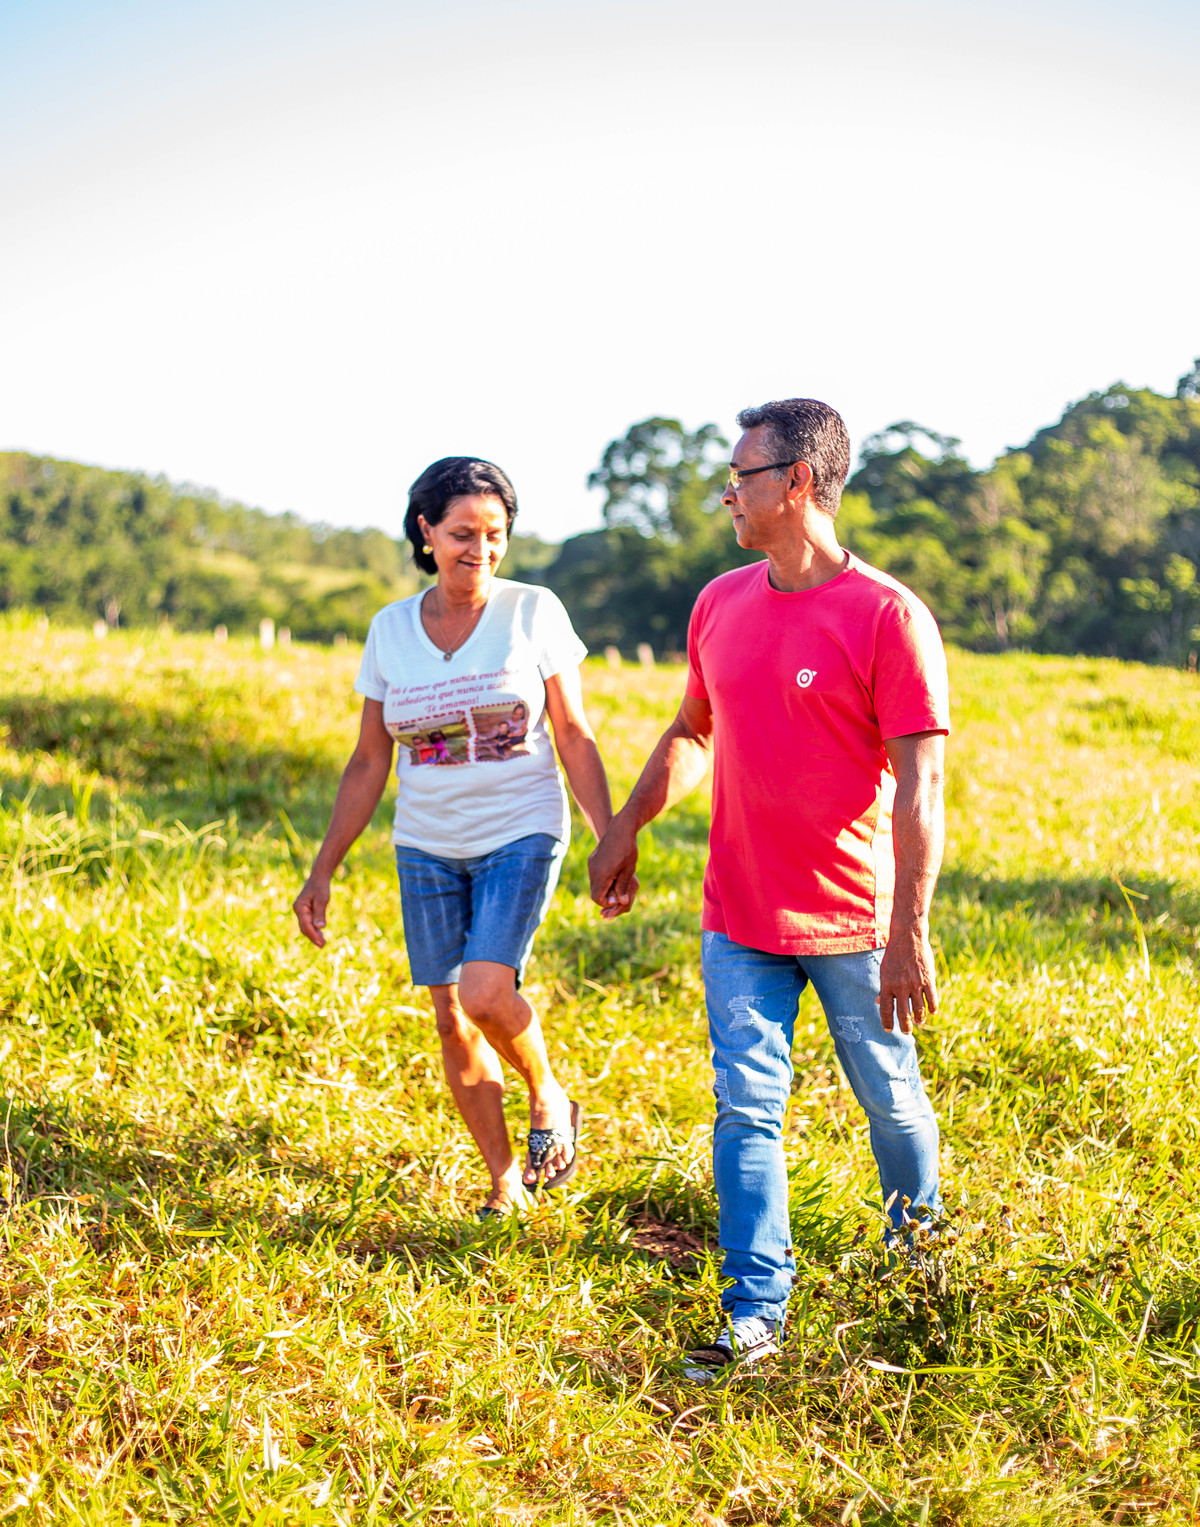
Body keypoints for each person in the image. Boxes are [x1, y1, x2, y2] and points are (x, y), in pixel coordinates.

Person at [588, 398, 949, 1379]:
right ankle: (756, 1314)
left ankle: (924, 1279)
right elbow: (693, 733)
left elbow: (921, 788)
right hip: (739, 915)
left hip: (853, 920)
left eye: (741, 478)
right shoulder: (719, 600)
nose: (728, 497)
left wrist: (908, 930)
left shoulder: (888, 615)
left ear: (797, 483)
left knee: (891, 1098)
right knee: (745, 1107)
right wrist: (624, 829)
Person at [294, 456, 615, 1216]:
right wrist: (322, 869)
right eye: (464, 533)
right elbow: (371, 759)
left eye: (495, 534)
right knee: (449, 1011)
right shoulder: (391, 630)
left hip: (521, 829)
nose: (481, 549)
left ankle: (548, 1092)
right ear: (426, 531)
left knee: (483, 990)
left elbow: (572, 732)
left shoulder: (533, 610)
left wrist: (612, 839)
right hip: (427, 841)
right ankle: (503, 1180)